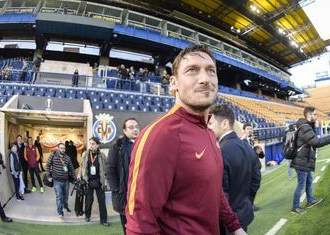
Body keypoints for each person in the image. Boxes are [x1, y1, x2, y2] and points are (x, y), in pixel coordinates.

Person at [125, 45, 246, 234]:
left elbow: (214, 189)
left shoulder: (207, 131)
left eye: (210, 71)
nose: (204, 79)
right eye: (192, 70)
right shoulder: (159, 136)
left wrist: (235, 227)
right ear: (173, 83)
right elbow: (140, 223)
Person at [208, 104, 261, 234]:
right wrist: (247, 201)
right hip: (243, 214)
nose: (207, 127)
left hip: (228, 223)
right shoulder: (246, 146)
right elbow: (256, 178)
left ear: (224, 124)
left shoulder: (220, 152)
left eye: (210, 124)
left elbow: (221, 194)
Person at [290, 107, 330, 214]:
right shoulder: (305, 127)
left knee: (308, 182)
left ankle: (310, 200)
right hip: (301, 161)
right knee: (301, 184)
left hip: (305, 160)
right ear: (309, 115)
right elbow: (316, 142)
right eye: (315, 115)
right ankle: (295, 207)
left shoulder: (306, 126)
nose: (317, 117)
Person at [106, 118, 140, 233]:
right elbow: (110, 170)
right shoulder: (117, 147)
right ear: (124, 131)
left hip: (142, 195)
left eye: (136, 127)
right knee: (128, 227)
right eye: (131, 127)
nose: (135, 130)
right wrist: (116, 189)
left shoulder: (144, 144)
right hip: (125, 194)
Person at [78, 137, 108, 226]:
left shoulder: (102, 155)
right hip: (88, 181)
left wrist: (106, 180)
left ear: (97, 145)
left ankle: (104, 220)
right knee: (88, 201)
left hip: (100, 182)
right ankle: (87, 216)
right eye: (90, 143)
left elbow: (106, 168)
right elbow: (81, 166)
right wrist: (79, 174)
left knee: (102, 202)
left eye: (93, 144)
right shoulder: (85, 154)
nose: (91, 145)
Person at [46, 143, 75, 218]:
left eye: (64, 148)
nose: (63, 150)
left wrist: (74, 177)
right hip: (57, 181)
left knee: (65, 196)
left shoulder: (67, 158)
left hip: (66, 181)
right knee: (59, 196)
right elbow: (47, 165)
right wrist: (48, 176)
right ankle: (60, 212)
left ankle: (65, 206)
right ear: (58, 148)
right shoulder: (53, 155)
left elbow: (71, 168)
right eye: (61, 148)